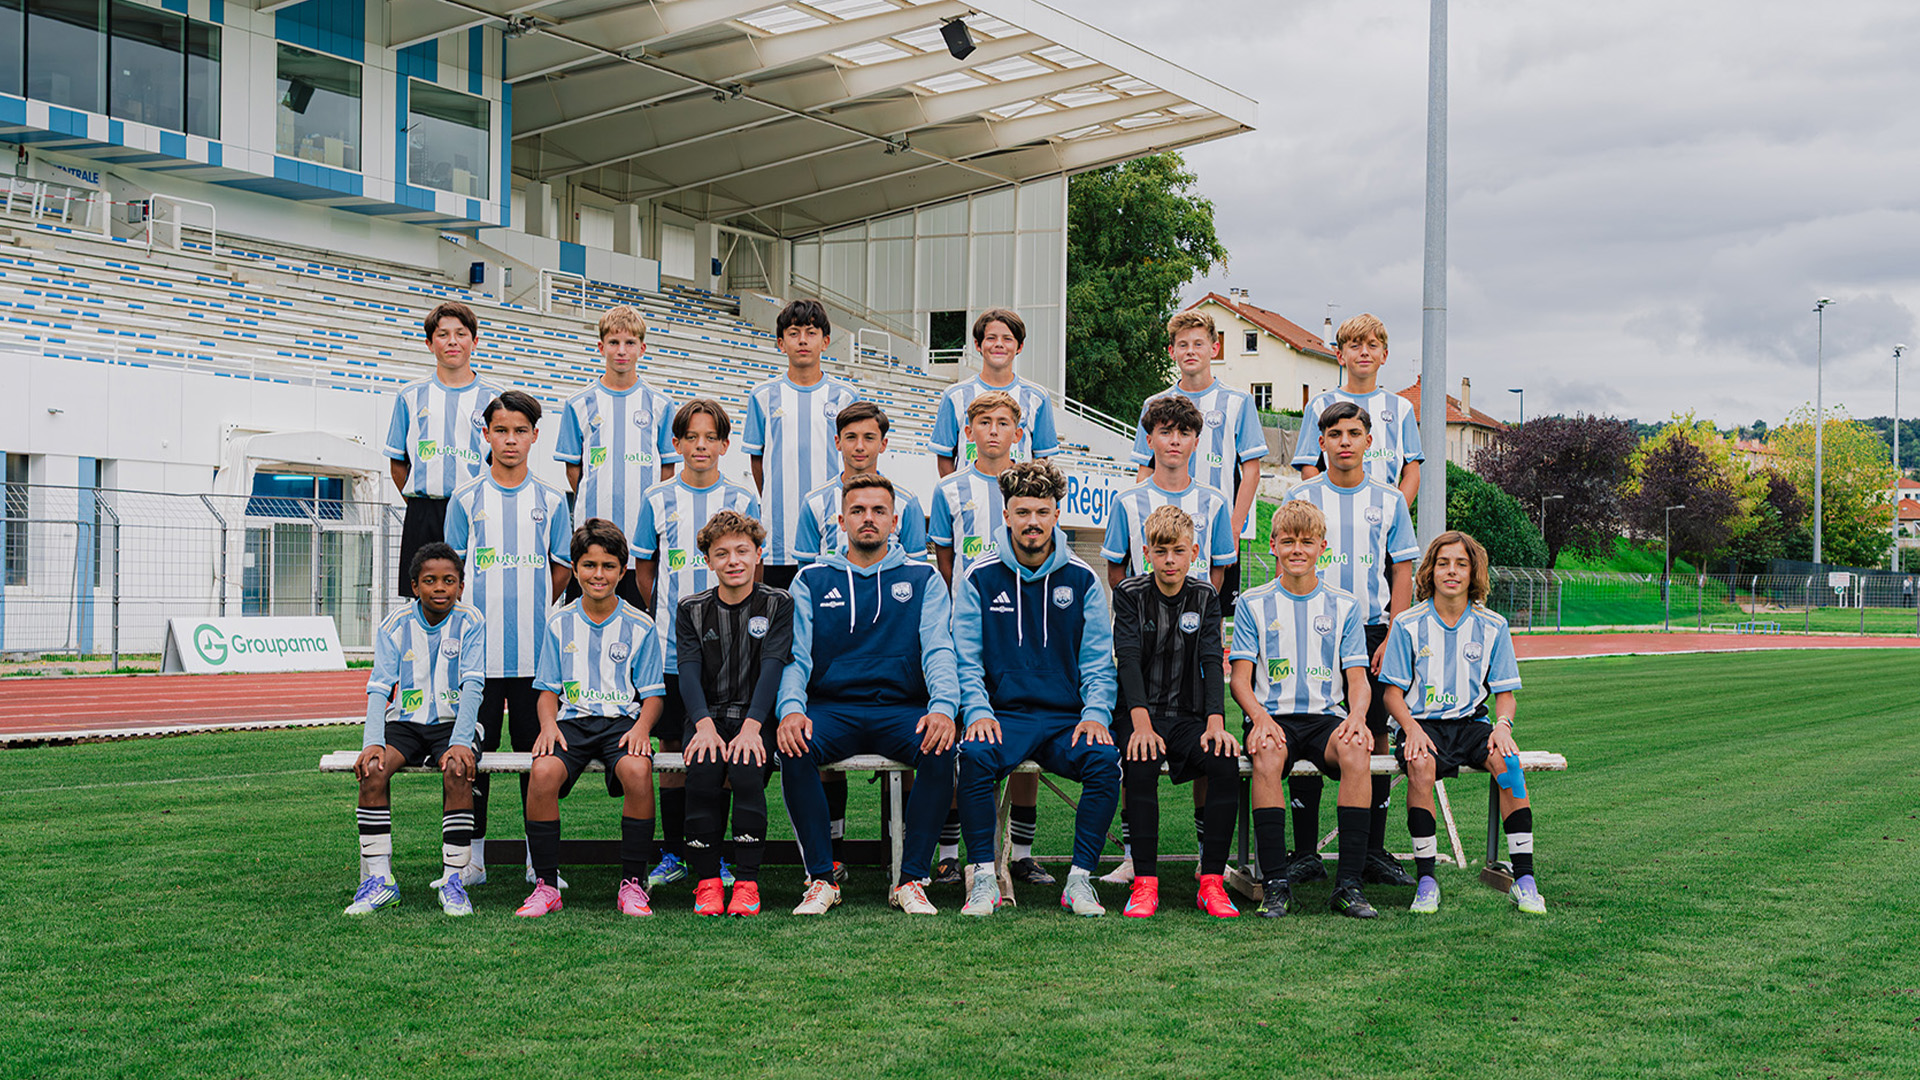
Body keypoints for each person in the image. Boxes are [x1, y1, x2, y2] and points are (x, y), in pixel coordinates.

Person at [776, 475, 959, 916]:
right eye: (858, 511)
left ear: (895, 520)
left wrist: (942, 708)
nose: (868, 519)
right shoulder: (811, 580)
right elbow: (795, 657)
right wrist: (791, 710)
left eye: (878, 511)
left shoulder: (923, 578)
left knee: (941, 746)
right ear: (841, 520)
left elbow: (938, 649)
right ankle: (821, 879)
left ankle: (911, 879)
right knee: (793, 746)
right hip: (832, 708)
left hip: (900, 709)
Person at [953, 460, 1120, 917]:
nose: (1032, 522)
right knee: (973, 757)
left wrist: (1095, 714)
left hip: (1066, 719)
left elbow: (1098, 662)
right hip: (1004, 716)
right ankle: (984, 876)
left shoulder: (1083, 578)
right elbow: (966, 659)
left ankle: (1080, 881)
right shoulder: (979, 577)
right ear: (1005, 515)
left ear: (1056, 515)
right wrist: (977, 710)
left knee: (1105, 762)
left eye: (1042, 512)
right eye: (1022, 512)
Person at [1282, 401, 1420, 891]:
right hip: (1308, 623)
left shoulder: (1389, 500)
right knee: (1311, 724)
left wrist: (1394, 632)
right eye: (1335, 433)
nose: (1344, 441)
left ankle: (1370, 852)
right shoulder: (1302, 495)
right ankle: (1302, 854)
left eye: (1354, 433)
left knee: (1373, 734)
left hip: (1370, 629)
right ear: (1321, 442)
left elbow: (1402, 567)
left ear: (1368, 441)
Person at [629, 399, 761, 892]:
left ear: (725, 445)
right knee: (674, 748)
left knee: (724, 750)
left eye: (711, 437)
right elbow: (646, 571)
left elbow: (753, 575)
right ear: (677, 443)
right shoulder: (656, 498)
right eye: (691, 437)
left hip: (731, 656)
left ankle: (720, 853)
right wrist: (671, 616)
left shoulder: (743, 499)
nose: (701, 445)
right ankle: (673, 850)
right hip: (671, 648)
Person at [443, 389, 572, 888]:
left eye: (520, 431)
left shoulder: (551, 499)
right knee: (470, 756)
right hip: (477, 657)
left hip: (533, 658)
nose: (511, 440)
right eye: (501, 430)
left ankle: (537, 863)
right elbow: (451, 572)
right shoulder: (466, 498)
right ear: (486, 435)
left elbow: (560, 569)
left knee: (534, 758)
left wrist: (534, 609)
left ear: (535, 437)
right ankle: (470, 860)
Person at [1229, 501, 1378, 919]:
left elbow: (1357, 679)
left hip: (1325, 719)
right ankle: (1277, 884)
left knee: (1356, 751)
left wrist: (1357, 718)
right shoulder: (1252, 603)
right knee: (1267, 755)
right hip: (1272, 716)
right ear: (1273, 545)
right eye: (1288, 541)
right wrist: (1259, 718)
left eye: (1307, 541)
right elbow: (1240, 679)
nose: (1297, 549)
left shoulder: (1345, 605)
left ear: (1322, 547)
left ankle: (1348, 885)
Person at [927, 390, 1052, 887]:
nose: (994, 430)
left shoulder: (1031, 488)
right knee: (964, 743)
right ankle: (950, 853)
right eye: (984, 422)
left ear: (1019, 433)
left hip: (1021, 635)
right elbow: (945, 563)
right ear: (969, 432)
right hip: (969, 634)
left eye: (1004, 422)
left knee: (1023, 739)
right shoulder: (948, 491)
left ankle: (1021, 853)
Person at [1382, 530, 1543, 915]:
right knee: (1420, 765)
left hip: (1472, 724)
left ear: (1474, 573)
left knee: (1510, 765)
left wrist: (1503, 725)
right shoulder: (1408, 624)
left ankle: (1524, 879)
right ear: (1430, 571)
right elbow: (1391, 694)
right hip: (1421, 723)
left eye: (1461, 564)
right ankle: (1426, 880)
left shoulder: (1493, 626)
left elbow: (1505, 693)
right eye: (1443, 563)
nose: (1451, 571)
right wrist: (1410, 729)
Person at [517, 518, 667, 918]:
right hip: (572, 722)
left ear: (622, 570)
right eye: (588, 565)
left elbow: (653, 695)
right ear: (576, 566)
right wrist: (548, 725)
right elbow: (548, 688)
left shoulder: (641, 625)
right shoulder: (558, 622)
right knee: (543, 774)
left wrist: (641, 728)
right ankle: (546, 885)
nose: (598, 574)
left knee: (637, 772)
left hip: (621, 723)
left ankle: (633, 883)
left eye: (608, 566)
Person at [1110, 507, 1239, 919]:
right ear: (1146, 552)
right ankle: (1145, 882)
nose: (1169, 560)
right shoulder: (1129, 593)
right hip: (1137, 713)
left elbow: (1210, 656)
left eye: (1178, 551)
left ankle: (1212, 883)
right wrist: (1140, 724)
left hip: (1187, 716)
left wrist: (1216, 722)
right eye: (1161, 551)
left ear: (1194, 552)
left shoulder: (1204, 596)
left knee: (1223, 760)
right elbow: (1127, 660)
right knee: (1141, 760)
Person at [346, 542, 485, 917]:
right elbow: (379, 685)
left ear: (461, 584)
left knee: (458, 769)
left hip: (453, 724)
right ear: (414, 586)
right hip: (405, 723)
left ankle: (454, 880)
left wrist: (460, 741)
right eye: (430, 581)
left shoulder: (471, 621)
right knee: (373, 771)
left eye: (448, 580)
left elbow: (474, 683)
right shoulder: (394, 625)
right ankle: (380, 881)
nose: (439, 588)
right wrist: (373, 741)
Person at [676, 510, 793, 917]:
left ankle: (746, 882)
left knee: (745, 767)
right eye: (721, 553)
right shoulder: (690, 608)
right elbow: (688, 673)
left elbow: (774, 667)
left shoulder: (778, 603)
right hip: (706, 715)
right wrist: (704, 726)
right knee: (704, 769)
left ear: (758, 554)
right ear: (708, 560)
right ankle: (707, 882)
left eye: (742, 551)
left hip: (756, 715)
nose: (733, 561)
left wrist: (751, 729)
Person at [1130, 309, 1268, 606]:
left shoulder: (1239, 401)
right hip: (1163, 534)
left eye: (1198, 343)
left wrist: (1233, 528)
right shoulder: (1153, 404)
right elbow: (1144, 470)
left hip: (1215, 527)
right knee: (1154, 609)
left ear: (1214, 348)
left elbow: (1252, 471)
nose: (1190, 351)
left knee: (1210, 615)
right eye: (1183, 345)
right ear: (1172, 351)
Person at [554, 304, 678, 606]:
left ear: (642, 348)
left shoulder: (661, 405)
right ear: (601, 347)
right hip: (592, 540)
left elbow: (667, 470)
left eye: (630, 343)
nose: (621, 351)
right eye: (614, 342)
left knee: (641, 625)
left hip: (641, 543)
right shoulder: (578, 403)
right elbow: (574, 469)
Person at [384, 301, 503, 597]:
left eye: (461, 334)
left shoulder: (494, 397)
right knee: (423, 599)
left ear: (474, 342)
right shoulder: (410, 396)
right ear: (429, 343)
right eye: (443, 334)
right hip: (424, 511)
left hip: (475, 511)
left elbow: (499, 460)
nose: (452, 341)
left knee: (473, 593)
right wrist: (424, 498)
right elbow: (399, 464)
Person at [743, 299, 861, 590]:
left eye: (811, 332)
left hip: (834, 529)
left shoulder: (846, 396)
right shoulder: (762, 395)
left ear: (825, 341)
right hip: (780, 535)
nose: (803, 340)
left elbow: (857, 457)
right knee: (782, 621)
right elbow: (758, 460)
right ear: (781, 343)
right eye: (794, 333)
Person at [1104, 395, 1237, 592]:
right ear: (1149, 441)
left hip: (1194, 619)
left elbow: (1218, 568)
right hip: (1144, 620)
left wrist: (1202, 606)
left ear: (1196, 443)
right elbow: (1115, 570)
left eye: (1184, 433)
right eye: (1165, 432)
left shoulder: (1215, 502)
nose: (1175, 441)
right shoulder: (1126, 502)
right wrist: (1136, 608)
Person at [1291, 313, 1422, 505]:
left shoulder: (1401, 408)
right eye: (1355, 346)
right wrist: (1323, 508)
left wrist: (1395, 513)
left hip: (1382, 516)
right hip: (1332, 511)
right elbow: (1309, 467)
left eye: (1372, 345)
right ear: (1340, 356)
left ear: (1384, 355)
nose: (1364, 352)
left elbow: (1412, 472)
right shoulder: (1319, 405)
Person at [928, 309, 1061, 476]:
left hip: (1018, 498)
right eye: (991, 338)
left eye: (1007, 339)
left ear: (1019, 346)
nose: (999, 344)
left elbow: (1041, 459)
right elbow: (945, 457)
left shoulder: (1038, 397)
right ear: (978, 344)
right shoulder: (954, 395)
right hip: (971, 500)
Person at [795, 402, 930, 565]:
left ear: (883, 444)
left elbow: (915, 571)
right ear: (838, 442)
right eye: (851, 437)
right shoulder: (814, 503)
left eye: (869, 438)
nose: (859, 446)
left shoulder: (907, 503)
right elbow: (807, 572)